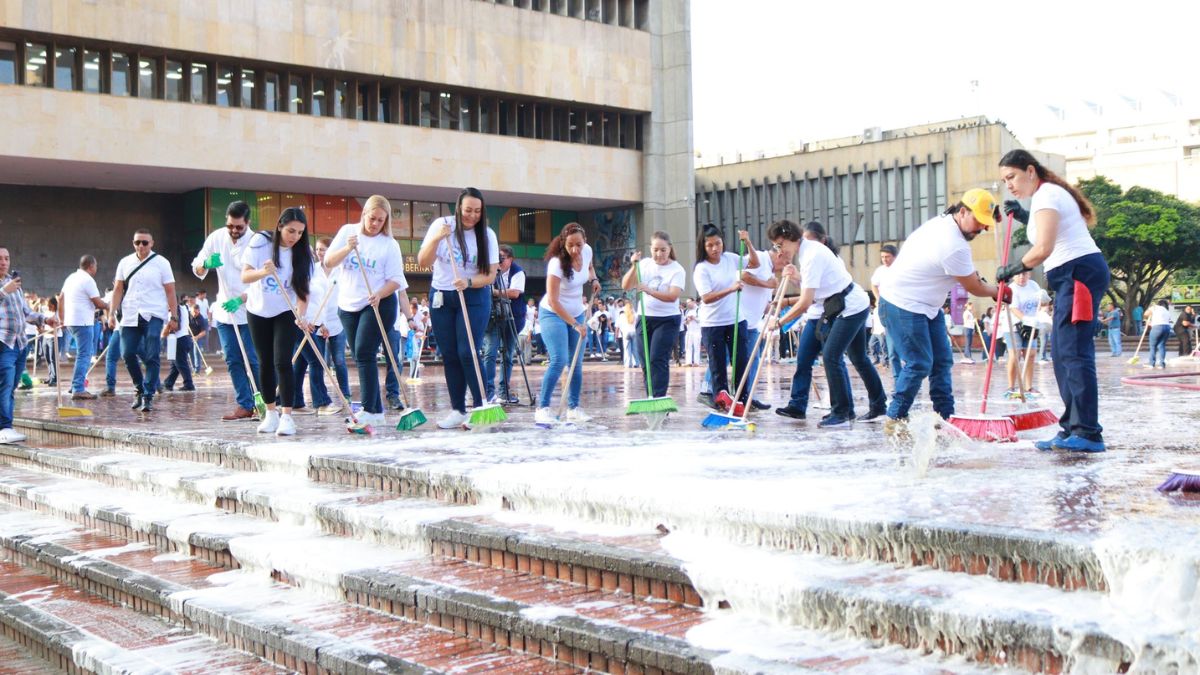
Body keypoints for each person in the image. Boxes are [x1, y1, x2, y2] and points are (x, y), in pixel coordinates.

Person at [998, 149, 1110, 452]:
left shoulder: (1047, 194)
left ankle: (1087, 432)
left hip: (1079, 275)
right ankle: (1072, 427)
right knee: (1062, 356)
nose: (1008, 184)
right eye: (1004, 180)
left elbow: (1044, 248)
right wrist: (1024, 216)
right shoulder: (1043, 198)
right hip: (1071, 277)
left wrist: (1013, 268)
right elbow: (1050, 232)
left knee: (1074, 355)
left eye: (1012, 176)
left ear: (1030, 171)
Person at [878, 190, 1007, 437]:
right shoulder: (953, 244)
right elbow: (973, 286)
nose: (981, 228)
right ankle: (895, 418)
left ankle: (945, 417)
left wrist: (991, 213)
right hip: (902, 303)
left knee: (942, 362)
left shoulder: (943, 223)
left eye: (985, 223)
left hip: (927, 306)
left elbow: (969, 275)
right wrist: (1000, 292)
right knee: (919, 363)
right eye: (978, 220)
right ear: (962, 211)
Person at [769, 221, 887, 428]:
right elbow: (811, 289)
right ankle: (878, 405)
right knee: (858, 358)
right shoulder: (807, 252)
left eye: (780, 245)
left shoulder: (812, 255)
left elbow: (805, 302)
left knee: (832, 356)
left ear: (790, 238)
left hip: (849, 307)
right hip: (848, 305)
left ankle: (842, 412)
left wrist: (779, 322)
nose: (779, 251)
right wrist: (795, 276)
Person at [325, 196, 412, 427]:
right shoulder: (347, 232)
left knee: (364, 352)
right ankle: (376, 411)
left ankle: (370, 409)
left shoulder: (389, 244)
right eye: (372, 218)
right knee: (361, 357)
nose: (375, 224)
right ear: (364, 214)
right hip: (348, 305)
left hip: (378, 303)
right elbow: (328, 261)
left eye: (380, 221)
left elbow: (396, 281)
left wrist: (380, 294)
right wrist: (347, 247)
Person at [416, 187, 497, 429]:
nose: (472, 216)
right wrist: (437, 238)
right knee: (449, 353)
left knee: (467, 351)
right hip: (442, 296)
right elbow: (423, 261)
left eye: (477, 211)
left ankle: (483, 407)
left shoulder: (487, 235)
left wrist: (470, 282)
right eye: (467, 210)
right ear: (459, 208)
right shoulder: (443, 225)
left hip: (473, 296)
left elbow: (491, 275)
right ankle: (458, 409)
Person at [241, 207, 314, 436]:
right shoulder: (260, 242)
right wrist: (263, 272)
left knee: (282, 361)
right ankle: (270, 413)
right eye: (291, 231)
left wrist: (301, 316)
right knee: (264, 362)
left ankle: (287, 416)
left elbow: (303, 292)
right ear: (280, 225)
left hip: (285, 310)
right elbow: (245, 276)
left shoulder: (303, 254)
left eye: (300, 233)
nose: (295, 237)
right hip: (258, 310)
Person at [192, 201, 262, 421]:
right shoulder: (217, 237)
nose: (234, 231)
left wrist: (242, 298)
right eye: (231, 225)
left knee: (253, 358)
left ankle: (266, 402)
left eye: (239, 227)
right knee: (232, 358)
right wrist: (206, 264)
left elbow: (262, 280)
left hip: (251, 309)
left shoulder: (257, 242)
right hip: (225, 313)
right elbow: (196, 265)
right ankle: (245, 404)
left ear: (248, 223)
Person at [534, 223, 599, 425]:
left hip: (577, 312)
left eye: (578, 244)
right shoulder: (556, 264)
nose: (575, 250)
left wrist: (593, 279)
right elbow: (554, 300)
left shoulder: (587, 251)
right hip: (553, 313)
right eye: (570, 245)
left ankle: (573, 408)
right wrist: (574, 325)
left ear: (585, 241)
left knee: (576, 364)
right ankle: (542, 408)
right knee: (559, 360)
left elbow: (589, 266)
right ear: (563, 244)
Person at [110, 229, 178, 413]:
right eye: (137, 242)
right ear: (133, 243)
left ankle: (148, 395)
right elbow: (117, 289)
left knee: (151, 354)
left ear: (152, 243)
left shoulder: (162, 263)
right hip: (130, 313)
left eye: (145, 242)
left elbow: (170, 291)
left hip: (154, 313)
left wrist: (174, 316)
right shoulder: (125, 262)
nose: (141, 246)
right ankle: (139, 388)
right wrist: (111, 313)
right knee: (128, 353)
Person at [692, 225, 758, 410]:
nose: (715, 249)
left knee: (741, 363)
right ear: (703, 247)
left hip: (736, 320)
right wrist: (731, 288)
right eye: (710, 245)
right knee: (718, 365)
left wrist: (747, 242)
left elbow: (754, 263)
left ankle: (742, 401)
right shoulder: (701, 269)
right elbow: (706, 298)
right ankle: (721, 401)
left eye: (718, 243)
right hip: (713, 324)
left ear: (723, 242)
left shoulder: (731, 258)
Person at [1, 248, 60, 444]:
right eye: (0, 259)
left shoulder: (13, 283)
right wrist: (3, 291)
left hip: (20, 343)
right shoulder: (7, 286)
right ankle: (4, 427)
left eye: (6, 258)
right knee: (5, 384)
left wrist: (45, 319)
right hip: (3, 343)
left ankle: (6, 426)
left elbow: (26, 312)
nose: (3, 262)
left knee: (11, 386)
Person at [621, 231, 685, 400]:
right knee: (646, 362)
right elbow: (626, 285)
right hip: (644, 318)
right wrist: (634, 265)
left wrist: (649, 290)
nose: (659, 254)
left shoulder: (677, 269)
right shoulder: (644, 265)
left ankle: (659, 399)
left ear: (670, 249)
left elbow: (672, 296)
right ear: (650, 249)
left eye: (663, 250)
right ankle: (651, 397)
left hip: (667, 320)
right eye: (656, 250)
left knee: (657, 358)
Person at [59, 255, 109, 399]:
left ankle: (76, 385)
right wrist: (109, 305)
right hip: (83, 322)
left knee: (82, 355)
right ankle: (78, 388)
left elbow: (61, 298)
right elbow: (98, 303)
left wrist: (62, 318)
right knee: (84, 355)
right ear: (91, 266)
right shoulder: (88, 280)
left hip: (71, 321)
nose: (96, 269)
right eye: (96, 266)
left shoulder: (71, 277)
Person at [483, 244, 526, 405]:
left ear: (510, 259)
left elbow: (515, 293)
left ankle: (504, 391)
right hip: (492, 317)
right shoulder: (490, 269)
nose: (499, 261)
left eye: (502, 258)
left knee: (507, 355)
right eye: (497, 257)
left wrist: (493, 292)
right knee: (490, 352)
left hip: (513, 318)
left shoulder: (518, 271)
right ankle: (488, 392)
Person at [1005, 271, 1046, 395]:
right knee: (1015, 355)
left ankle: (1029, 386)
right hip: (1014, 326)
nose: (1021, 277)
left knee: (1031, 354)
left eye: (1024, 274)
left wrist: (1043, 304)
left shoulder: (1034, 285)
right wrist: (1026, 319)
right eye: (1018, 274)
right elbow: (1013, 308)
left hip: (1031, 325)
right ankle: (1011, 387)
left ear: (1029, 274)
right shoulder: (1012, 289)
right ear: (1013, 276)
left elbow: (1042, 303)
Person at [872, 244, 901, 378]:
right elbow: (874, 284)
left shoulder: (902, 269)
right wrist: (878, 298)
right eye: (882, 257)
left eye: (887, 257)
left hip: (903, 309)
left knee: (907, 347)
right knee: (892, 347)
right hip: (887, 310)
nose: (885, 259)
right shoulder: (880, 271)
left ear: (895, 257)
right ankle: (897, 376)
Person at [162, 299, 195, 392]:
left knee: (181, 364)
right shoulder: (184, 308)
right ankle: (168, 383)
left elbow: (172, 328)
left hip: (178, 341)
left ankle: (189, 384)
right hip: (186, 339)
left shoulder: (172, 314)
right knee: (175, 364)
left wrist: (164, 333)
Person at [1147, 300, 1172, 368]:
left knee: (1153, 346)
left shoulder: (1155, 307)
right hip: (1167, 327)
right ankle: (1162, 364)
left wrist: (1148, 318)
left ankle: (1151, 364)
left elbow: (1146, 314)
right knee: (1161, 345)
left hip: (1157, 327)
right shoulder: (1167, 311)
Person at [682, 299, 701, 366]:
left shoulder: (699, 310)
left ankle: (696, 362)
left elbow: (701, 321)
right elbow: (684, 322)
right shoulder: (687, 311)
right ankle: (688, 362)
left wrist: (694, 318)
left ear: (694, 302)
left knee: (696, 347)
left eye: (689, 302)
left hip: (697, 331)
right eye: (687, 303)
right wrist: (688, 321)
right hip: (689, 331)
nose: (688, 304)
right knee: (688, 347)